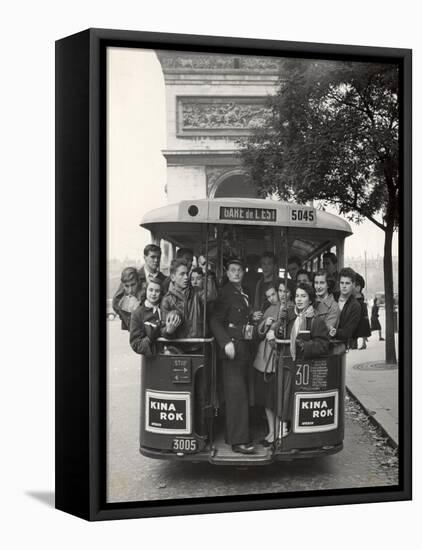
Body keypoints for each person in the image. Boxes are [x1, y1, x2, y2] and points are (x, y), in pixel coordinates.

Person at [210, 258, 256, 454]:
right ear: (227, 273)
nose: (236, 273)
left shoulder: (243, 291)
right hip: (232, 350)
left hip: (243, 349)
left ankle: (239, 435)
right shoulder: (225, 293)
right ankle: (238, 442)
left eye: (239, 270)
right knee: (236, 395)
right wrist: (225, 342)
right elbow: (214, 320)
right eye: (233, 270)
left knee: (241, 393)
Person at [275, 283, 330, 436]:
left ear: (310, 300)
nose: (299, 299)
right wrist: (280, 326)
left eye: (303, 296)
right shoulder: (290, 317)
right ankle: (283, 425)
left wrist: (305, 345)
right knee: (283, 395)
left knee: (293, 398)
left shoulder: (316, 321)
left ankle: (292, 430)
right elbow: (281, 336)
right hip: (287, 362)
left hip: (303, 366)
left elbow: (323, 345)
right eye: (297, 296)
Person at [252, 286, 281, 446]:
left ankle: (276, 431)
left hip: (272, 359)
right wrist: (264, 322)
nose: (271, 298)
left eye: (273, 294)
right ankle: (271, 431)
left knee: (272, 399)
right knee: (266, 399)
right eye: (268, 296)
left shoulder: (286, 308)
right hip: (264, 359)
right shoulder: (269, 309)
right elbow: (259, 332)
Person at [161, 258, 216, 341]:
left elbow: (211, 296)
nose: (186, 277)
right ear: (173, 277)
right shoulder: (167, 300)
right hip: (178, 348)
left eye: (187, 274)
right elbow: (162, 329)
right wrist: (168, 331)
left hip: (198, 345)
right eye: (182, 274)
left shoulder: (197, 292)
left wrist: (208, 274)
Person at [112, 244, 166, 316]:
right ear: (145, 258)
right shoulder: (133, 276)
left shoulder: (164, 279)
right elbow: (116, 302)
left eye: (158, 257)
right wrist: (129, 319)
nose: (156, 260)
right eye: (153, 257)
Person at [130, 278, 164, 355]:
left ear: (161, 293)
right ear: (146, 291)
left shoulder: (164, 308)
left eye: (157, 291)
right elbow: (135, 344)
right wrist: (150, 338)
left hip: (168, 355)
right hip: (151, 359)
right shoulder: (138, 313)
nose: (153, 293)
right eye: (151, 290)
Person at [329, 268, 361, 348]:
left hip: (339, 346)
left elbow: (349, 331)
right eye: (342, 283)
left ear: (353, 284)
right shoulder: (332, 297)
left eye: (347, 283)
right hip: (322, 342)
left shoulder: (355, 306)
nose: (344, 286)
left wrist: (335, 332)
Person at [313, 269, 340, 333]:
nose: (318, 287)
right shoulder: (310, 301)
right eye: (316, 283)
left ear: (328, 284)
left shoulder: (333, 306)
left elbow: (325, 330)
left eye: (322, 283)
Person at [352, 273, 372, 350]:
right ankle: (357, 343)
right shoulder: (359, 296)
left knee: (362, 328)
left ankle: (362, 343)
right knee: (358, 328)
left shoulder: (359, 296)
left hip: (361, 314)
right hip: (360, 314)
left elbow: (363, 307)